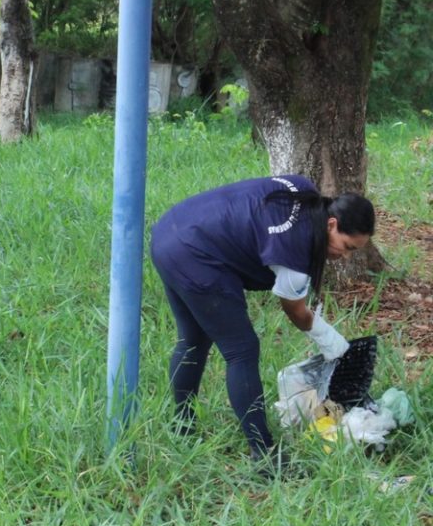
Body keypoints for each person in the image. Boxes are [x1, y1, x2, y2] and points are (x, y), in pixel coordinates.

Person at [150, 174, 375, 470]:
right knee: (241, 349)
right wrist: (333, 343)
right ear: (332, 224)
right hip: (196, 253)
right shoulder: (296, 250)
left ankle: (182, 427)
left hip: (171, 231)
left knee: (194, 340)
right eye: (348, 247)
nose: (344, 257)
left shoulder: (304, 192)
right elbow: (295, 312)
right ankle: (265, 455)